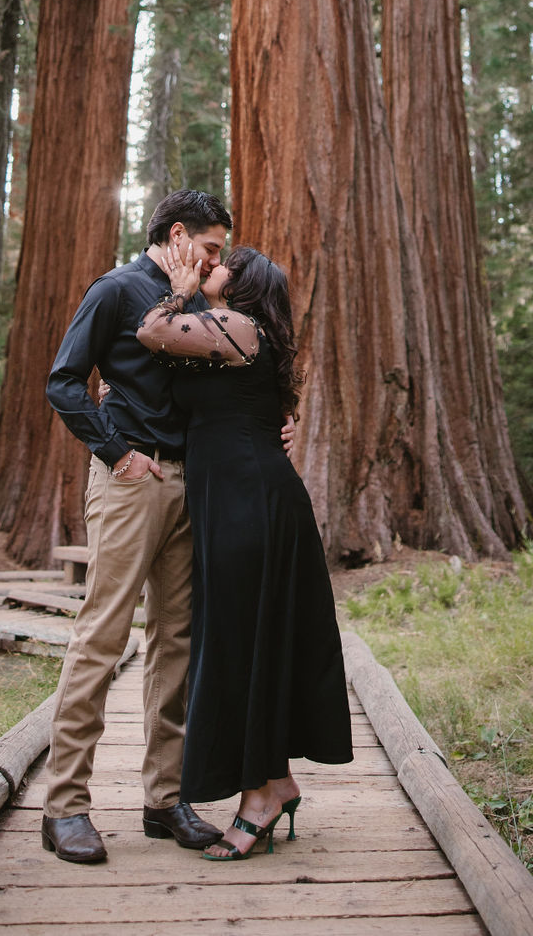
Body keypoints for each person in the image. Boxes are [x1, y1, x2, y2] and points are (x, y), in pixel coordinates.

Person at [40, 190, 240, 865]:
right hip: (131, 480)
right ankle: (65, 805)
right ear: (178, 233)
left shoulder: (200, 300)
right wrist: (116, 452)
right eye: (211, 247)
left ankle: (165, 799)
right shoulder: (117, 290)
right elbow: (65, 381)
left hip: (192, 482)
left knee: (177, 640)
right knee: (101, 636)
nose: (218, 260)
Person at [137, 239, 354, 860]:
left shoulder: (236, 324)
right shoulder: (225, 331)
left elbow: (154, 330)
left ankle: (258, 798)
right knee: (240, 640)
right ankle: (274, 780)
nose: (212, 265)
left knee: (240, 641)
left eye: (224, 262)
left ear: (246, 285)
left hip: (250, 504)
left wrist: (177, 288)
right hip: (232, 499)